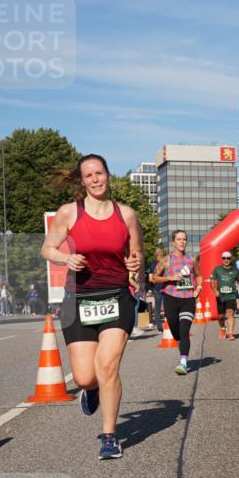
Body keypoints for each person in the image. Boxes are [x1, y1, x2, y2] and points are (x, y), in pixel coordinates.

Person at [41, 153, 143, 460]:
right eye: (89, 175)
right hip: (78, 299)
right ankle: (92, 389)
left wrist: (136, 265)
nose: (95, 179)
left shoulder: (126, 215)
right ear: (82, 181)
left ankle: (110, 436)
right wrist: (65, 258)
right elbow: (46, 249)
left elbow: (136, 255)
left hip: (116, 295)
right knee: (85, 377)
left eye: (100, 173)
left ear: (108, 176)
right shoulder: (69, 213)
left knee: (108, 365)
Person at [154, 230, 202, 374]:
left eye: (184, 239)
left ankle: (183, 363)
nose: (182, 242)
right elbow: (154, 278)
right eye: (179, 239)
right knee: (176, 333)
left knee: (184, 331)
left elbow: (199, 276)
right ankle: (181, 345)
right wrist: (169, 278)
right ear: (173, 242)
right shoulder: (166, 260)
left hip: (188, 299)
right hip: (170, 298)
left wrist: (198, 288)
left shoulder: (191, 260)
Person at [210, 250, 239, 340]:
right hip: (220, 296)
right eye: (224, 258)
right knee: (221, 316)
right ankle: (222, 328)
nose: (226, 260)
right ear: (222, 259)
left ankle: (230, 333)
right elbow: (212, 280)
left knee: (230, 313)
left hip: (231, 295)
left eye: (228, 258)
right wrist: (215, 291)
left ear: (231, 259)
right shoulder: (217, 269)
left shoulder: (235, 270)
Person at [147, 248, 166, 331]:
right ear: (161, 253)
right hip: (166, 288)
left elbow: (150, 279)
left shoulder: (152, 264)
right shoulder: (166, 263)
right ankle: (169, 325)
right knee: (168, 307)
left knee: (157, 309)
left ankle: (159, 328)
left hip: (157, 288)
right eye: (161, 252)